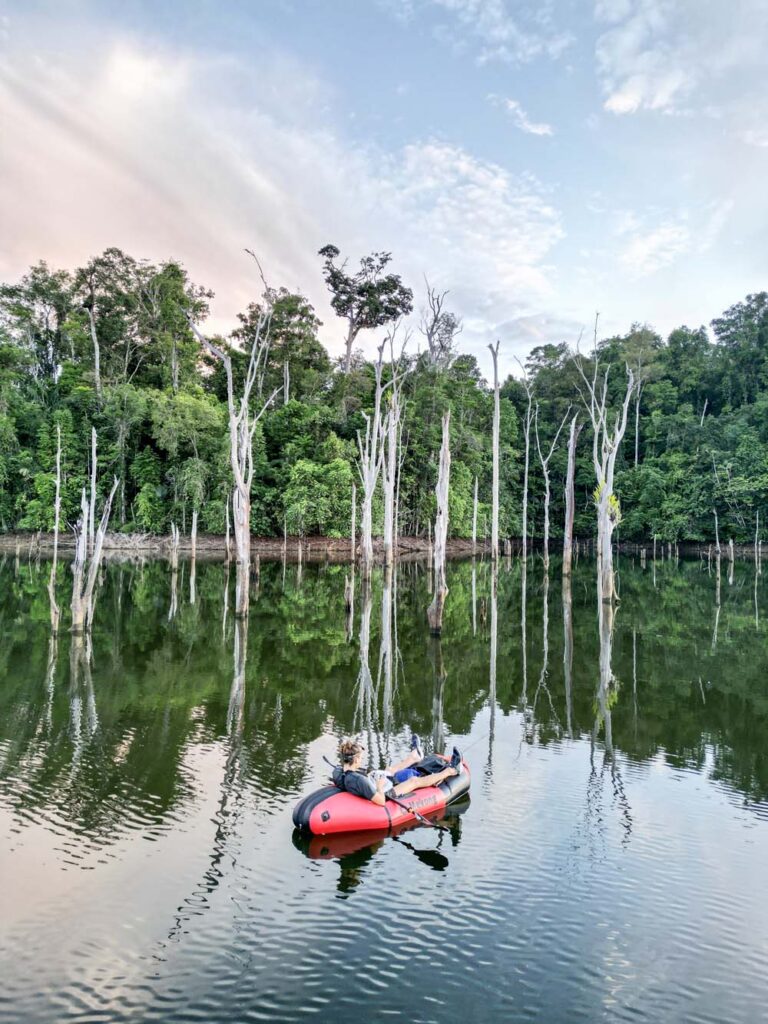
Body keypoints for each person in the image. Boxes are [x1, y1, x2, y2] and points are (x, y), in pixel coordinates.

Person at [332, 735, 462, 806]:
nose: (361, 761)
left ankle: (414, 756)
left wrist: (372, 777)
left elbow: (353, 781)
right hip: (386, 793)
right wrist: (379, 786)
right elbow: (381, 801)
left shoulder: (338, 772)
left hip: (369, 783)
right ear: (355, 759)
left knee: (388, 770)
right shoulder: (359, 780)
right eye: (360, 758)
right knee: (413, 781)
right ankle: (451, 770)